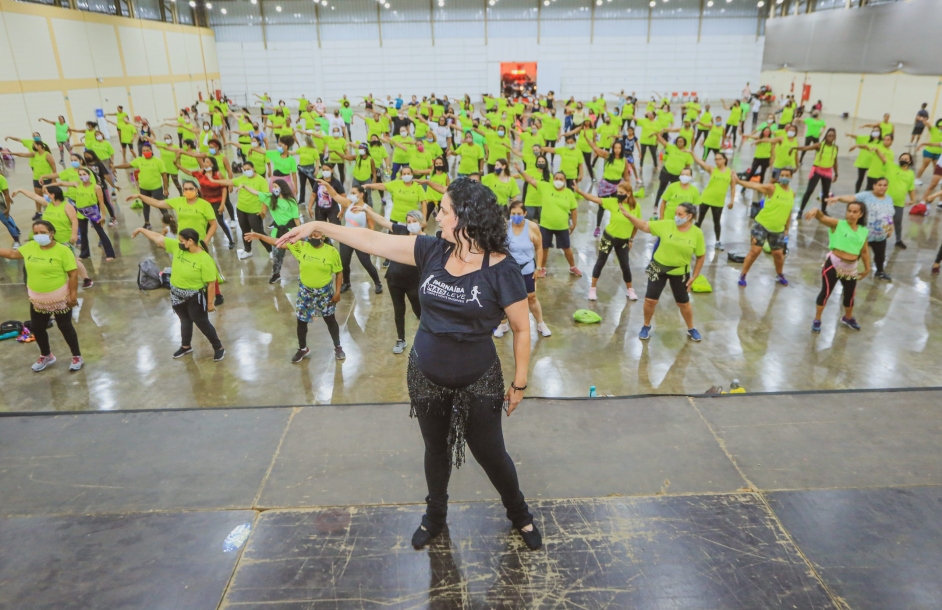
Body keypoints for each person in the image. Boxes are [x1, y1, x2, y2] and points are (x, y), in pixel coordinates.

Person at [275, 177, 541, 551]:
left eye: (445, 211)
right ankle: (435, 516)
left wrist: (520, 383)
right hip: (426, 376)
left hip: (479, 380)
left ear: (465, 218)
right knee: (436, 450)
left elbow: (520, 327)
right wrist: (319, 225)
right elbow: (371, 240)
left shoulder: (501, 269)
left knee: (491, 454)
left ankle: (520, 514)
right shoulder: (431, 250)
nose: (437, 217)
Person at [246, 227, 346, 362]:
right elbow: (278, 242)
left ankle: (338, 346)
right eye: (311, 235)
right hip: (305, 292)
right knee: (301, 321)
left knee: (330, 320)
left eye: (316, 235)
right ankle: (303, 348)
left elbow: (339, 272)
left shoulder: (331, 252)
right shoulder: (301, 246)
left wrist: (338, 291)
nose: (313, 238)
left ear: (323, 236)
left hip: (324, 293)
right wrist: (260, 236)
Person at [0, 220, 83, 371]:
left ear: (52, 233)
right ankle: (46, 355)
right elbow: (12, 254)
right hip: (38, 298)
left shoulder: (63, 251)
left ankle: (77, 356)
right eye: (36, 233)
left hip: (60, 298)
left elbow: (73, 275)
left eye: (43, 233)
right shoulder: (31, 246)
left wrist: (73, 296)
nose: (39, 236)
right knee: (37, 328)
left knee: (65, 327)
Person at [133, 227, 225, 361]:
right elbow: (158, 238)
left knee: (202, 322)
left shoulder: (205, 260)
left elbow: (211, 283)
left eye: (181, 241)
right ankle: (186, 346)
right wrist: (141, 230)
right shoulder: (178, 247)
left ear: (190, 241)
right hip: (176, 293)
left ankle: (218, 348)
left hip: (195, 296)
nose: (179, 243)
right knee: (185, 320)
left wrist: (210, 303)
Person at [621, 202, 706, 342]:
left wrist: (695, 275)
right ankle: (646, 326)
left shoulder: (697, 233)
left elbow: (701, 256)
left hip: (680, 272)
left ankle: (691, 328)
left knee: (683, 303)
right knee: (650, 301)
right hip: (658, 268)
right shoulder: (667, 224)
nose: (676, 217)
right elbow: (644, 225)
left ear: (689, 216)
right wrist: (629, 216)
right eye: (675, 213)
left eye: (680, 214)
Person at [802, 203, 870, 333]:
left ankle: (848, 317)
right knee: (826, 292)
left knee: (850, 295)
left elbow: (865, 251)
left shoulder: (863, 231)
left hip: (851, 268)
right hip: (833, 264)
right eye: (849, 211)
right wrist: (816, 210)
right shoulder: (837, 224)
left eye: (855, 212)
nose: (851, 214)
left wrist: (867, 268)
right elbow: (822, 218)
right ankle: (817, 319)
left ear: (861, 214)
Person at [14, 186, 93, 288]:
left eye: (46, 193)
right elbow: (34, 196)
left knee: (72, 260)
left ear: (53, 195)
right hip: (49, 239)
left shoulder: (67, 206)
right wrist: (20, 190)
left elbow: (74, 221)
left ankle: (86, 279)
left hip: (64, 239)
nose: (45, 195)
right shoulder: (49, 204)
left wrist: (74, 235)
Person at [492, 200, 551, 337]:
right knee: (503, 297)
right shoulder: (505, 226)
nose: (516, 216)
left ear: (525, 213)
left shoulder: (532, 227)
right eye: (513, 213)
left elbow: (539, 247)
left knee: (531, 297)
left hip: (527, 267)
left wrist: (539, 267)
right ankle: (503, 324)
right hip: (508, 268)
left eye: (519, 213)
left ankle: (541, 324)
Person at [576, 182, 640, 302]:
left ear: (629, 193)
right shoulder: (613, 202)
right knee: (601, 262)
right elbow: (595, 199)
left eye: (621, 193)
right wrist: (579, 191)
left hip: (624, 241)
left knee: (625, 265)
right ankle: (593, 289)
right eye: (618, 192)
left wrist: (631, 239)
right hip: (609, 237)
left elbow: (636, 224)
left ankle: (630, 290)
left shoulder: (636, 207)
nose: (618, 194)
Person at [316, 180, 383, 294]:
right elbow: (335, 195)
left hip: (360, 240)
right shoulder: (348, 203)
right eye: (350, 192)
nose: (350, 195)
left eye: (353, 193)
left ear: (361, 194)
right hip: (346, 238)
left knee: (366, 263)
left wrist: (370, 243)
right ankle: (346, 282)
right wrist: (327, 185)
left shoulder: (367, 209)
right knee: (344, 262)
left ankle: (377, 282)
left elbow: (371, 227)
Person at [516, 164, 581, 277]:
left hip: (562, 226)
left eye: (561, 179)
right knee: (543, 247)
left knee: (566, 248)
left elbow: (574, 210)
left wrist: (574, 223)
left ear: (565, 180)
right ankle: (541, 268)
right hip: (546, 225)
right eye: (556, 178)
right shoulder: (545, 187)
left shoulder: (569, 193)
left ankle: (572, 267)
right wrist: (521, 171)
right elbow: (531, 180)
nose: (558, 181)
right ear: (553, 179)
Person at [735, 168, 796, 287]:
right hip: (761, 224)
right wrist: (739, 182)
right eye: (782, 175)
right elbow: (755, 186)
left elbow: (788, 212)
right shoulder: (772, 188)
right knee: (755, 251)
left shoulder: (792, 193)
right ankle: (743, 275)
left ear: (791, 177)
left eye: (786, 175)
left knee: (778, 254)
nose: (784, 177)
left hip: (778, 229)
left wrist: (786, 228)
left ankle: (780, 274)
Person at [826, 179, 895, 281]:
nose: (882, 187)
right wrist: (838, 198)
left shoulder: (889, 199)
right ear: (874, 185)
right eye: (879, 185)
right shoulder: (866, 196)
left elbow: (888, 216)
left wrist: (890, 228)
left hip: (880, 235)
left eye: (885, 185)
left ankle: (880, 271)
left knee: (880, 255)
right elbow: (851, 198)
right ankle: (843, 274)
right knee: (855, 255)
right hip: (863, 235)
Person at [206, 161, 271, 260]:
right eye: (244, 170)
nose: (246, 171)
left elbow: (265, 196)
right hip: (241, 209)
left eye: (248, 169)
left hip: (254, 211)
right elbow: (229, 182)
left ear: (253, 168)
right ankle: (248, 250)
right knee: (245, 231)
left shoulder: (261, 180)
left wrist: (263, 210)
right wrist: (213, 180)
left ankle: (271, 250)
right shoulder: (242, 178)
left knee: (259, 231)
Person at [175, 155, 235, 249]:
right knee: (206, 222)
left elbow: (224, 188)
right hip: (205, 201)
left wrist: (222, 204)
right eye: (204, 162)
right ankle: (204, 241)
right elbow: (188, 172)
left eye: (207, 162)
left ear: (212, 164)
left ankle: (231, 240)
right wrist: (178, 165)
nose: (205, 164)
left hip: (216, 201)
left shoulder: (218, 174)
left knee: (219, 221)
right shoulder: (200, 173)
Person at [58, 166, 116, 261]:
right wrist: (47, 185)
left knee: (100, 232)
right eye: (80, 175)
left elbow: (101, 202)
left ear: (89, 175)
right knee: (83, 233)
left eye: (84, 174)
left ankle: (110, 254)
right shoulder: (77, 184)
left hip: (92, 211)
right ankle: (84, 253)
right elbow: (62, 183)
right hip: (81, 211)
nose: (82, 176)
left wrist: (103, 216)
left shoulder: (96, 187)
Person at [114, 141, 169, 230]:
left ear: (151, 150)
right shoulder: (139, 160)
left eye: (147, 150)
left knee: (161, 205)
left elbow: (164, 175)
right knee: (145, 205)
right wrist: (115, 167)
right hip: (144, 188)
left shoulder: (158, 161)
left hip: (156, 188)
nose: (145, 152)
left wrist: (165, 188)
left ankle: (168, 222)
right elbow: (127, 165)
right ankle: (147, 223)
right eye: (143, 151)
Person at [586, 136, 633, 237]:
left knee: (619, 206)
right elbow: (595, 148)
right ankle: (598, 227)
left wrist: (629, 188)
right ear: (613, 148)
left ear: (622, 149)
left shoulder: (624, 160)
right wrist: (586, 137)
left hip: (617, 187)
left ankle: (616, 226)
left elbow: (626, 175)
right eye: (615, 148)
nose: (617, 150)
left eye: (619, 148)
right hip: (605, 186)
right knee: (602, 207)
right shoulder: (608, 156)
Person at [5, 136, 56, 219]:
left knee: (49, 196)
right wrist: (11, 154)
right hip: (36, 179)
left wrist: (53, 178)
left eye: (35, 145)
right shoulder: (35, 154)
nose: (33, 147)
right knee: (37, 196)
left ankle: (52, 210)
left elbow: (53, 166)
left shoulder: (47, 155)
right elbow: (23, 154)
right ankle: (39, 212)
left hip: (47, 179)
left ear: (40, 146)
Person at [693, 152, 734, 250]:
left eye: (719, 159)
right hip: (706, 198)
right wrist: (692, 153)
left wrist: (732, 201)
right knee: (699, 220)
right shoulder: (712, 169)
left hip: (718, 201)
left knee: (717, 221)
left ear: (725, 160)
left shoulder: (731, 172)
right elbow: (700, 162)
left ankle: (718, 241)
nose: (717, 161)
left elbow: (733, 187)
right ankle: (692, 238)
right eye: (716, 159)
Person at [877, 150, 915, 249]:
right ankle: (883, 238)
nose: (903, 160)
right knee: (885, 221)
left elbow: (911, 188)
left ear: (910, 161)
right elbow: (883, 157)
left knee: (897, 221)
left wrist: (912, 199)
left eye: (906, 159)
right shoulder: (891, 166)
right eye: (902, 158)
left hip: (899, 203)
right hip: (886, 201)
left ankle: (898, 240)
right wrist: (877, 150)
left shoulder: (910, 173)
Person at [797, 128, 839, 214]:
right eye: (829, 135)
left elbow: (835, 161)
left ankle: (823, 211)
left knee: (826, 192)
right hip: (817, 170)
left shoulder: (835, 148)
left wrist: (836, 173)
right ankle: (801, 210)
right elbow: (806, 148)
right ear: (826, 136)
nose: (830, 137)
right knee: (809, 190)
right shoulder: (819, 145)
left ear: (835, 137)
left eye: (832, 136)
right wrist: (794, 148)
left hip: (827, 172)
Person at [653, 131, 693, 211]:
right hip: (666, 172)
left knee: (673, 190)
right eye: (678, 141)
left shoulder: (687, 153)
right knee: (661, 188)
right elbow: (663, 141)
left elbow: (688, 167)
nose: (679, 143)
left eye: (681, 141)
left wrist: (685, 176)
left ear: (684, 143)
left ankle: (669, 205)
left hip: (677, 175)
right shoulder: (671, 147)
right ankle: (656, 204)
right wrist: (657, 134)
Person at [0, 172, 19, 248]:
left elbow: (6, 194)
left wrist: (8, 208)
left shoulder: (1, 178)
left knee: (6, 221)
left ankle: (17, 241)